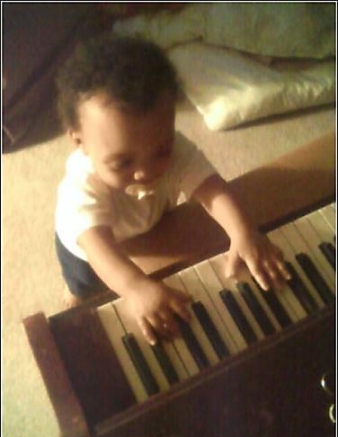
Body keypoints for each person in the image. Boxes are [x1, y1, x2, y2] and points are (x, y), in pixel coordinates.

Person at [55, 34, 290, 345]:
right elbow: (98, 247)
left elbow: (212, 189)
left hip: (149, 221)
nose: (146, 171)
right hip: (85, 251)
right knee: (85, 284)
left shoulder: (175, 149)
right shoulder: (82, 185)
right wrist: (135, 287)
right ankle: (74, 293)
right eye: (122, 162)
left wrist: (243, 231)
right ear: (79, 141)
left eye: (161, 151)